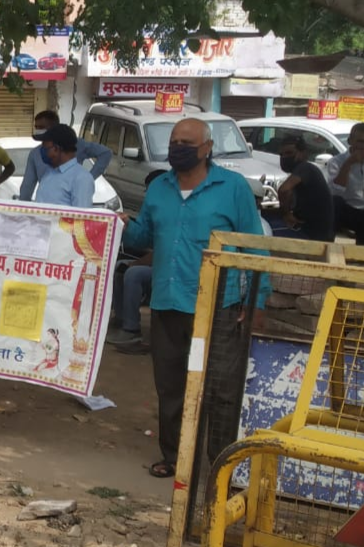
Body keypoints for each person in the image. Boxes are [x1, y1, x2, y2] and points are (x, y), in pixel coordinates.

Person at [121, 117, 268, 480]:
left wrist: (256, 303)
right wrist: (122, 224)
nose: (177, 147)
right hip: (168, 304)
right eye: (173, 141)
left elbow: (256, 248)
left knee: (219, 389)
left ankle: (221, 466)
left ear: (206, 148)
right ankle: (174, 457)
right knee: (170, 386)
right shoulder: (160, 188)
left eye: (186, 141)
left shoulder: (232, 187)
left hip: (219, 306)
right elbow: (143, 237)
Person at [106, 172, 164, 354]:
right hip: (156, 261)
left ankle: (132, 330)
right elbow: (143, 239)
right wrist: (129, 225)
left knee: (133, 273)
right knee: (119, 267)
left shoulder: (169, 208)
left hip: (170, 269)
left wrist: (136, 264)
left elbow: (160, 252)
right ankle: (121, 318)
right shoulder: (155, 209)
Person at [19, 110, 112, 202]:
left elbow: (105, 153)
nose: (38, 130)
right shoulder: (46, 172)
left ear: (56, 148)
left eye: (41, 127)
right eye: (36, 127)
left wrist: (91, 177)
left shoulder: (81, 176)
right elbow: (27, 187)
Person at [274, 136, 335, 242]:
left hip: (310, 233)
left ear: (303, 153)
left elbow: (284, 190)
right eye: (281, 154)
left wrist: (286, 214)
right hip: (310, 229)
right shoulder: (303, 171)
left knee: (265, 231)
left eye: (289, 153)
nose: (284, 157)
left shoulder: (305, 168)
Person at [34, 125, 96, 208]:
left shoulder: (81, 178)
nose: (42, 152)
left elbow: (82, 217)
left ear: (56, 149)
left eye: (45, 148)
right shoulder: (50, 171)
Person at [327, 124, 364, 244]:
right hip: (348, 208)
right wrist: (348, 164)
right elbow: (336, 191)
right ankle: (327, 243)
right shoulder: (337, 161)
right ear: (350, 141)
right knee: (335, 202)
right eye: (360, 142)